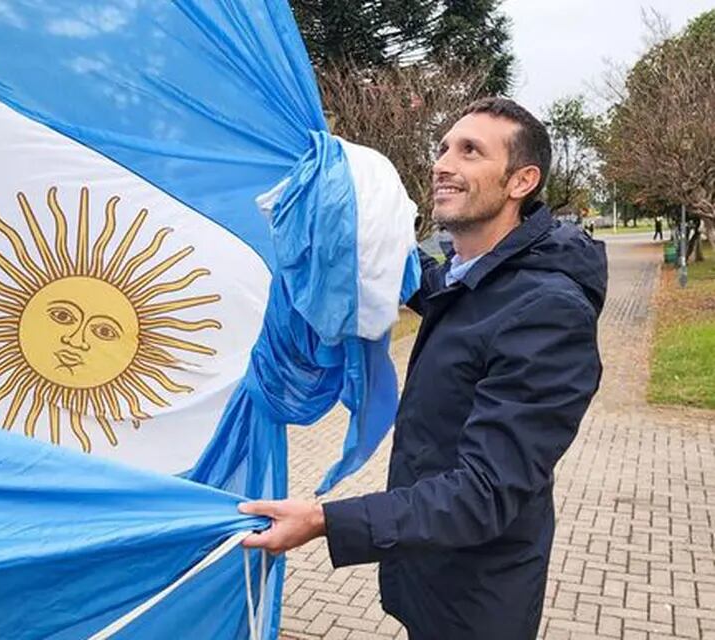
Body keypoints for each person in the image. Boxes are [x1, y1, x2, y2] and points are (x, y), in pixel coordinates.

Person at [239, 97, 607, 639]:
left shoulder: (547, 311)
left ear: (521, 181)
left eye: (470, 151)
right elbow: (399, 268)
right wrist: (330, 196)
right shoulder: (470, 275)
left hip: (477, 599)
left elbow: (483, 493)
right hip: (425, 571)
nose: (443, 163)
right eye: (442, 148)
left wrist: (323, 522)